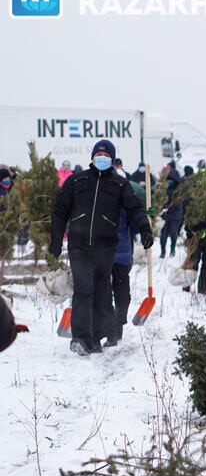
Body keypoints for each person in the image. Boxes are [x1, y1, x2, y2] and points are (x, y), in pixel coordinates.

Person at [49, 140, 153, 356]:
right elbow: (60, 211)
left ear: (112, 159)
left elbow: (135, 209)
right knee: (83, 289)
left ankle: (96, 337)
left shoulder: (120, 185)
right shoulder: (76, 181)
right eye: (99, 154)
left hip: (105, 247)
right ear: (93, 156)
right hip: (79, 245)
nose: (102, 157)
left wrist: (145, 229)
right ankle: (81, 338)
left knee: (100, 290)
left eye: (106, 155)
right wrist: (56, 240)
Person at [105, 182, 142, 347]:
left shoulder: (126, 205)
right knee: (104, 297)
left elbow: (135, 226)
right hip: (102, 257)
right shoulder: (98, 204)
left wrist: (143, 217)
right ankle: (110, 333)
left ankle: (118, 325)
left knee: (122, 296)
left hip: (121, 256)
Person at [160, 163, 183, 258]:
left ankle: (172, 248)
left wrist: (169, 207)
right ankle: (163, 250)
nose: (169, 182)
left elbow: (178, 204)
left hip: (174, 215)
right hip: (165, 216)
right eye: (168, 180)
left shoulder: (178, 191)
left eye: (171, 180)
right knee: (163, 234)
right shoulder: (163, 190)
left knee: (173, 233)